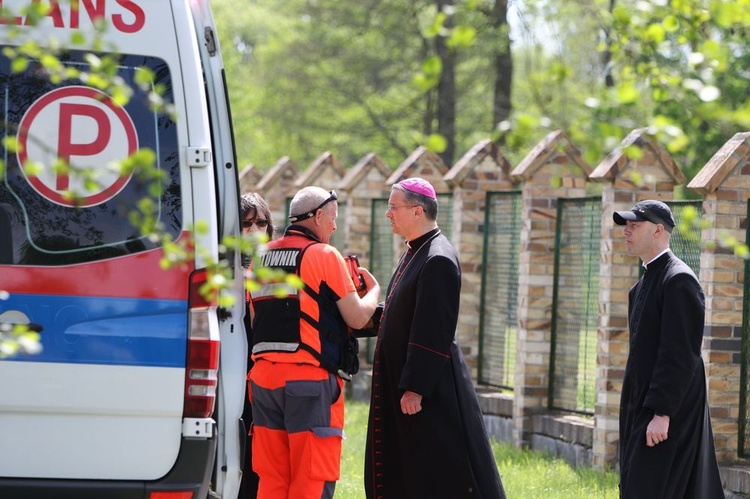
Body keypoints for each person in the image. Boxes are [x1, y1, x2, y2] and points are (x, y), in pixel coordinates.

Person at [364, 178, 506, 499]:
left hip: (429, 393)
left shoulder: (437, 257)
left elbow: (434, 328)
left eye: (393, 206)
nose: (388, 213)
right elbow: (405, 310)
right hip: (411, 386)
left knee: (439, 473)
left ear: (417, 211)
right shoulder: (416, 251)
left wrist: (415, 386)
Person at [247, 186, 381, 499]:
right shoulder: (324, 255)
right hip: (309, 381)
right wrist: (373, 291)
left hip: (264, 382)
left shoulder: (261, 258)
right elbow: (358, 318)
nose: (335, 226)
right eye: (333, 218)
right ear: (318, 216)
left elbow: (257, 319)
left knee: (272, 478)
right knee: (311, 478)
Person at [613, 200, 724, 499]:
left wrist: (662, 413)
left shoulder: (679, 280)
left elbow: (679, 353)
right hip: (645, 406)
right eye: (626, 226)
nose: (626, 232)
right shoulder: (643, 285)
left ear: (658, 231)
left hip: (667, 411)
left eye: (634, 226)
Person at [238, 192, 275, 499]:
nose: (254, 230)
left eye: (261, 222)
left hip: (267, 369)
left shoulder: (276, 267)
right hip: (233, 367)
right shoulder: (223, 269)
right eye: (246, 223)